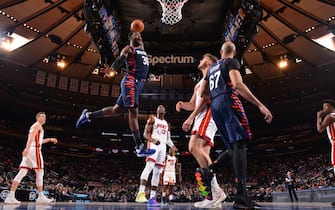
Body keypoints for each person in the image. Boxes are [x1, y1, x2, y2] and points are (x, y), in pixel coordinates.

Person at [184, 41, 273, 209]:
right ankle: (241, 196)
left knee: (233, 148)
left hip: (216, 107)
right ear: (233, 52)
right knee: (239, 145)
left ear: (220, 51)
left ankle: (210, 170)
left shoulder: (211, 69)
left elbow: (202, 93)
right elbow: (238, 85)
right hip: (228, 101)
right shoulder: (230, 62)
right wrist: (260, 105)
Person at [75, 31, 155, 157]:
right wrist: (112, 69)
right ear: (130, 39)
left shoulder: (142, 48)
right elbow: (120, 60)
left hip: (138, 84)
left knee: (117, 110)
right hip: (131, 82)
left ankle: (88, 115)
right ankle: (139, 146)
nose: (139, 37)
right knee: (133, 112)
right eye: (136, 36)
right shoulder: (129, 49)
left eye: (140, 36)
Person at [176, 53, 226, 208]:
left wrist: (190, 118)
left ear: (210, 62)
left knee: (193, 147)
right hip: (201, 116)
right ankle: (212, 197)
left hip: (208, 114)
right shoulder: (199, 83)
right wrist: (183, 104)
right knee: (203, 155)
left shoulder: (211, 75)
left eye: (203, 58)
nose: (200, 60)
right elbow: (194, 103)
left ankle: (217, 192)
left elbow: (206, 100)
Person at [4, 112, 58, 204]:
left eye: (44, 117)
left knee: (22, 172)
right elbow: (31, 138)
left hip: (30, 150)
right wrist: (27, 148)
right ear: (37, 118)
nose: (44, 118)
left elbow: (38, 141)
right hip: (34, 150)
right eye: (41, 116)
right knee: (40, 171)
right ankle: (41, 196)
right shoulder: (37, 125)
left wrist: (49, 139)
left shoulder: (37, 126)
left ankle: (10, 196)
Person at [135, 105, 177, 207]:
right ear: (157, 111)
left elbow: (168, 139)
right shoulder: (152, 119)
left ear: (165, 112)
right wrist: (153, 140)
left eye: (162, 108)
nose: (161, 108)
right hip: (154, 144)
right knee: (149, 166)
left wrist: (173, 146)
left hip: (163, 147)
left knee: (157, 171)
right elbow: (145, 134)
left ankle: (152, 198)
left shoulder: (166, 123)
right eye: (159, 108)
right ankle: (140, 193)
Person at [316, 99, 335, 206]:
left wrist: (318, 116)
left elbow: (320, 129)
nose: (323, 109)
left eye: (325, 107)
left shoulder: (329, 116)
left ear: (330, 106)